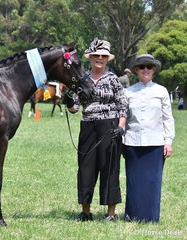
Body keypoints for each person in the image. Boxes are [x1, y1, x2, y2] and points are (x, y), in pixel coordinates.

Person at [63, 38, 127, 221]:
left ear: (107, 59)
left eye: (103, 56)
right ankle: (85, 212)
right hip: (88, 126)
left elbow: (123, 105)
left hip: (110, 126)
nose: (99, 58)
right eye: (96, 55)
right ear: (90, 58)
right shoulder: (82, 80)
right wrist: (68, 104)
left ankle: (110, 213)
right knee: (86, 167)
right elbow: (75, 108)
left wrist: (121, 127)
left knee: (110, 168)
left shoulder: (113, 79)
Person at [123, 54, 175, 223]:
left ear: (154, 70)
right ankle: (132, 216)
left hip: (155, 144)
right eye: (142, 66)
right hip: (132, 143)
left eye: (149, 67)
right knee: (134, 182)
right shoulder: (128, 92)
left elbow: (168, 118)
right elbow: (123, 119)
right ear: (136, 70)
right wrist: (121, 142)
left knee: (152, 182)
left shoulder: (161, 91)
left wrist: (168, 141)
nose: (146, 69)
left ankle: (151, 217)